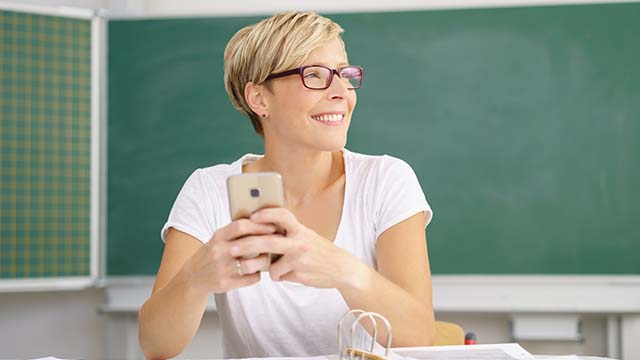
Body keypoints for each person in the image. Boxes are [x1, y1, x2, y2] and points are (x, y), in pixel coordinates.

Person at [138, 10, 436, 359]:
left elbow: (419, 335)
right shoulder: (210, 189)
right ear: (259, 99)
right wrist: (196, 277)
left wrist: (342, 269)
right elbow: (155, 346)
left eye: (344, 74)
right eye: (315, 75)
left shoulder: (385, 180)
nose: (342, 92)